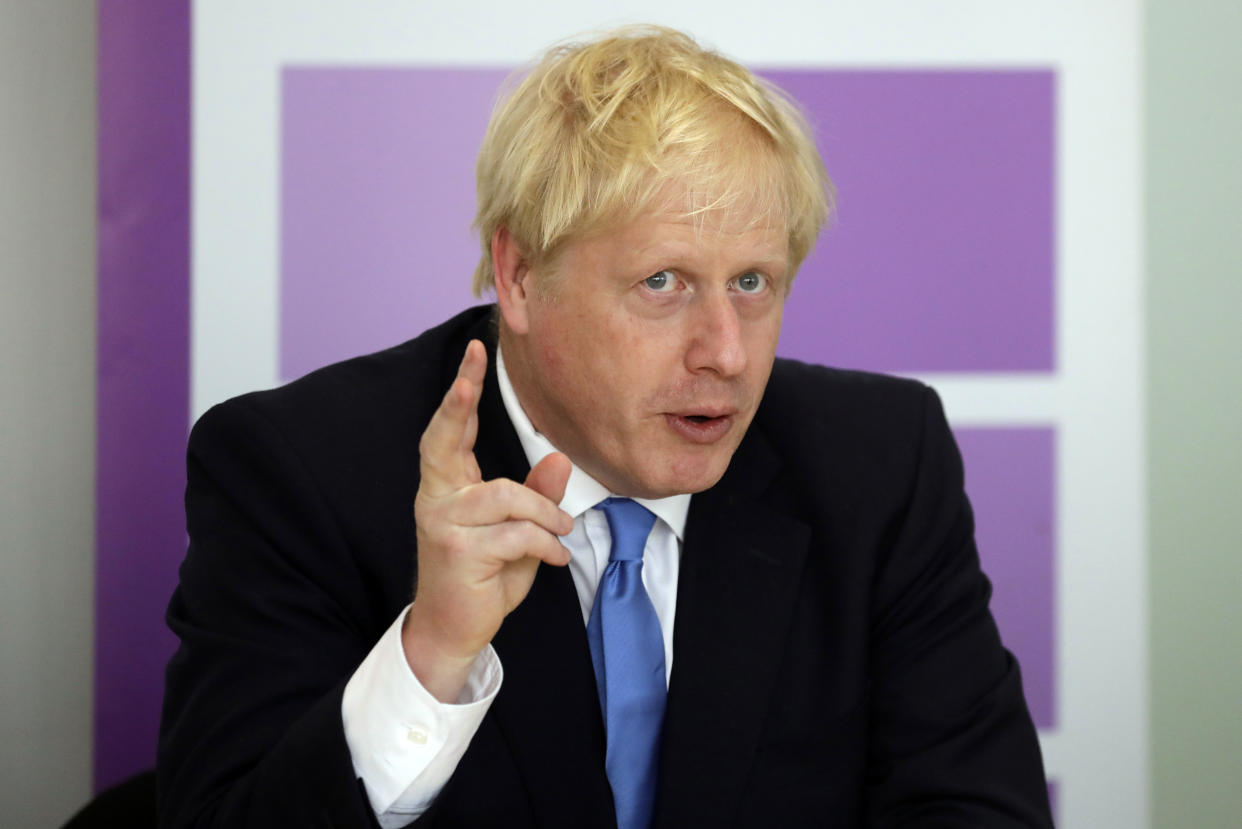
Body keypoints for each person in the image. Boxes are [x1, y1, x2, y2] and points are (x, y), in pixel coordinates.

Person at [157, 25, 1052, 828]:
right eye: (662, 282)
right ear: (517, 275)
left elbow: (976, 805)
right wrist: (429, 653)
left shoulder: (880, 462)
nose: (727, 355)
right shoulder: (298, 470)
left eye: (752, 283)